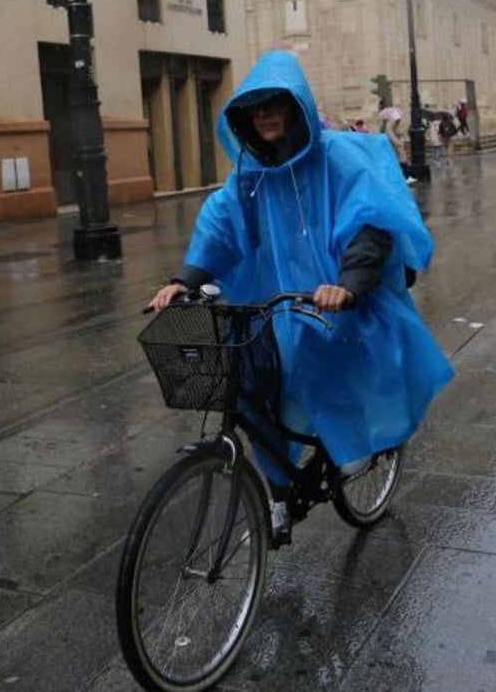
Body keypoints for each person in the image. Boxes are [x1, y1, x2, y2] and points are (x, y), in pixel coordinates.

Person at [147, 51, 453, 487]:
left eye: (274, 103)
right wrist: (184, 280)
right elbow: (220, 226)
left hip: (341, 297)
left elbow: (369, 223)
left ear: (296, 105)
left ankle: (350, 440)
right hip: (280, 301)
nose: (265, 114)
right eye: (255, 108)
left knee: (326, 349)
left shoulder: (339, 157)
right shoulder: (250, 176)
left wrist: (348, 285)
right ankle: (277, 490)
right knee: (250, 377)